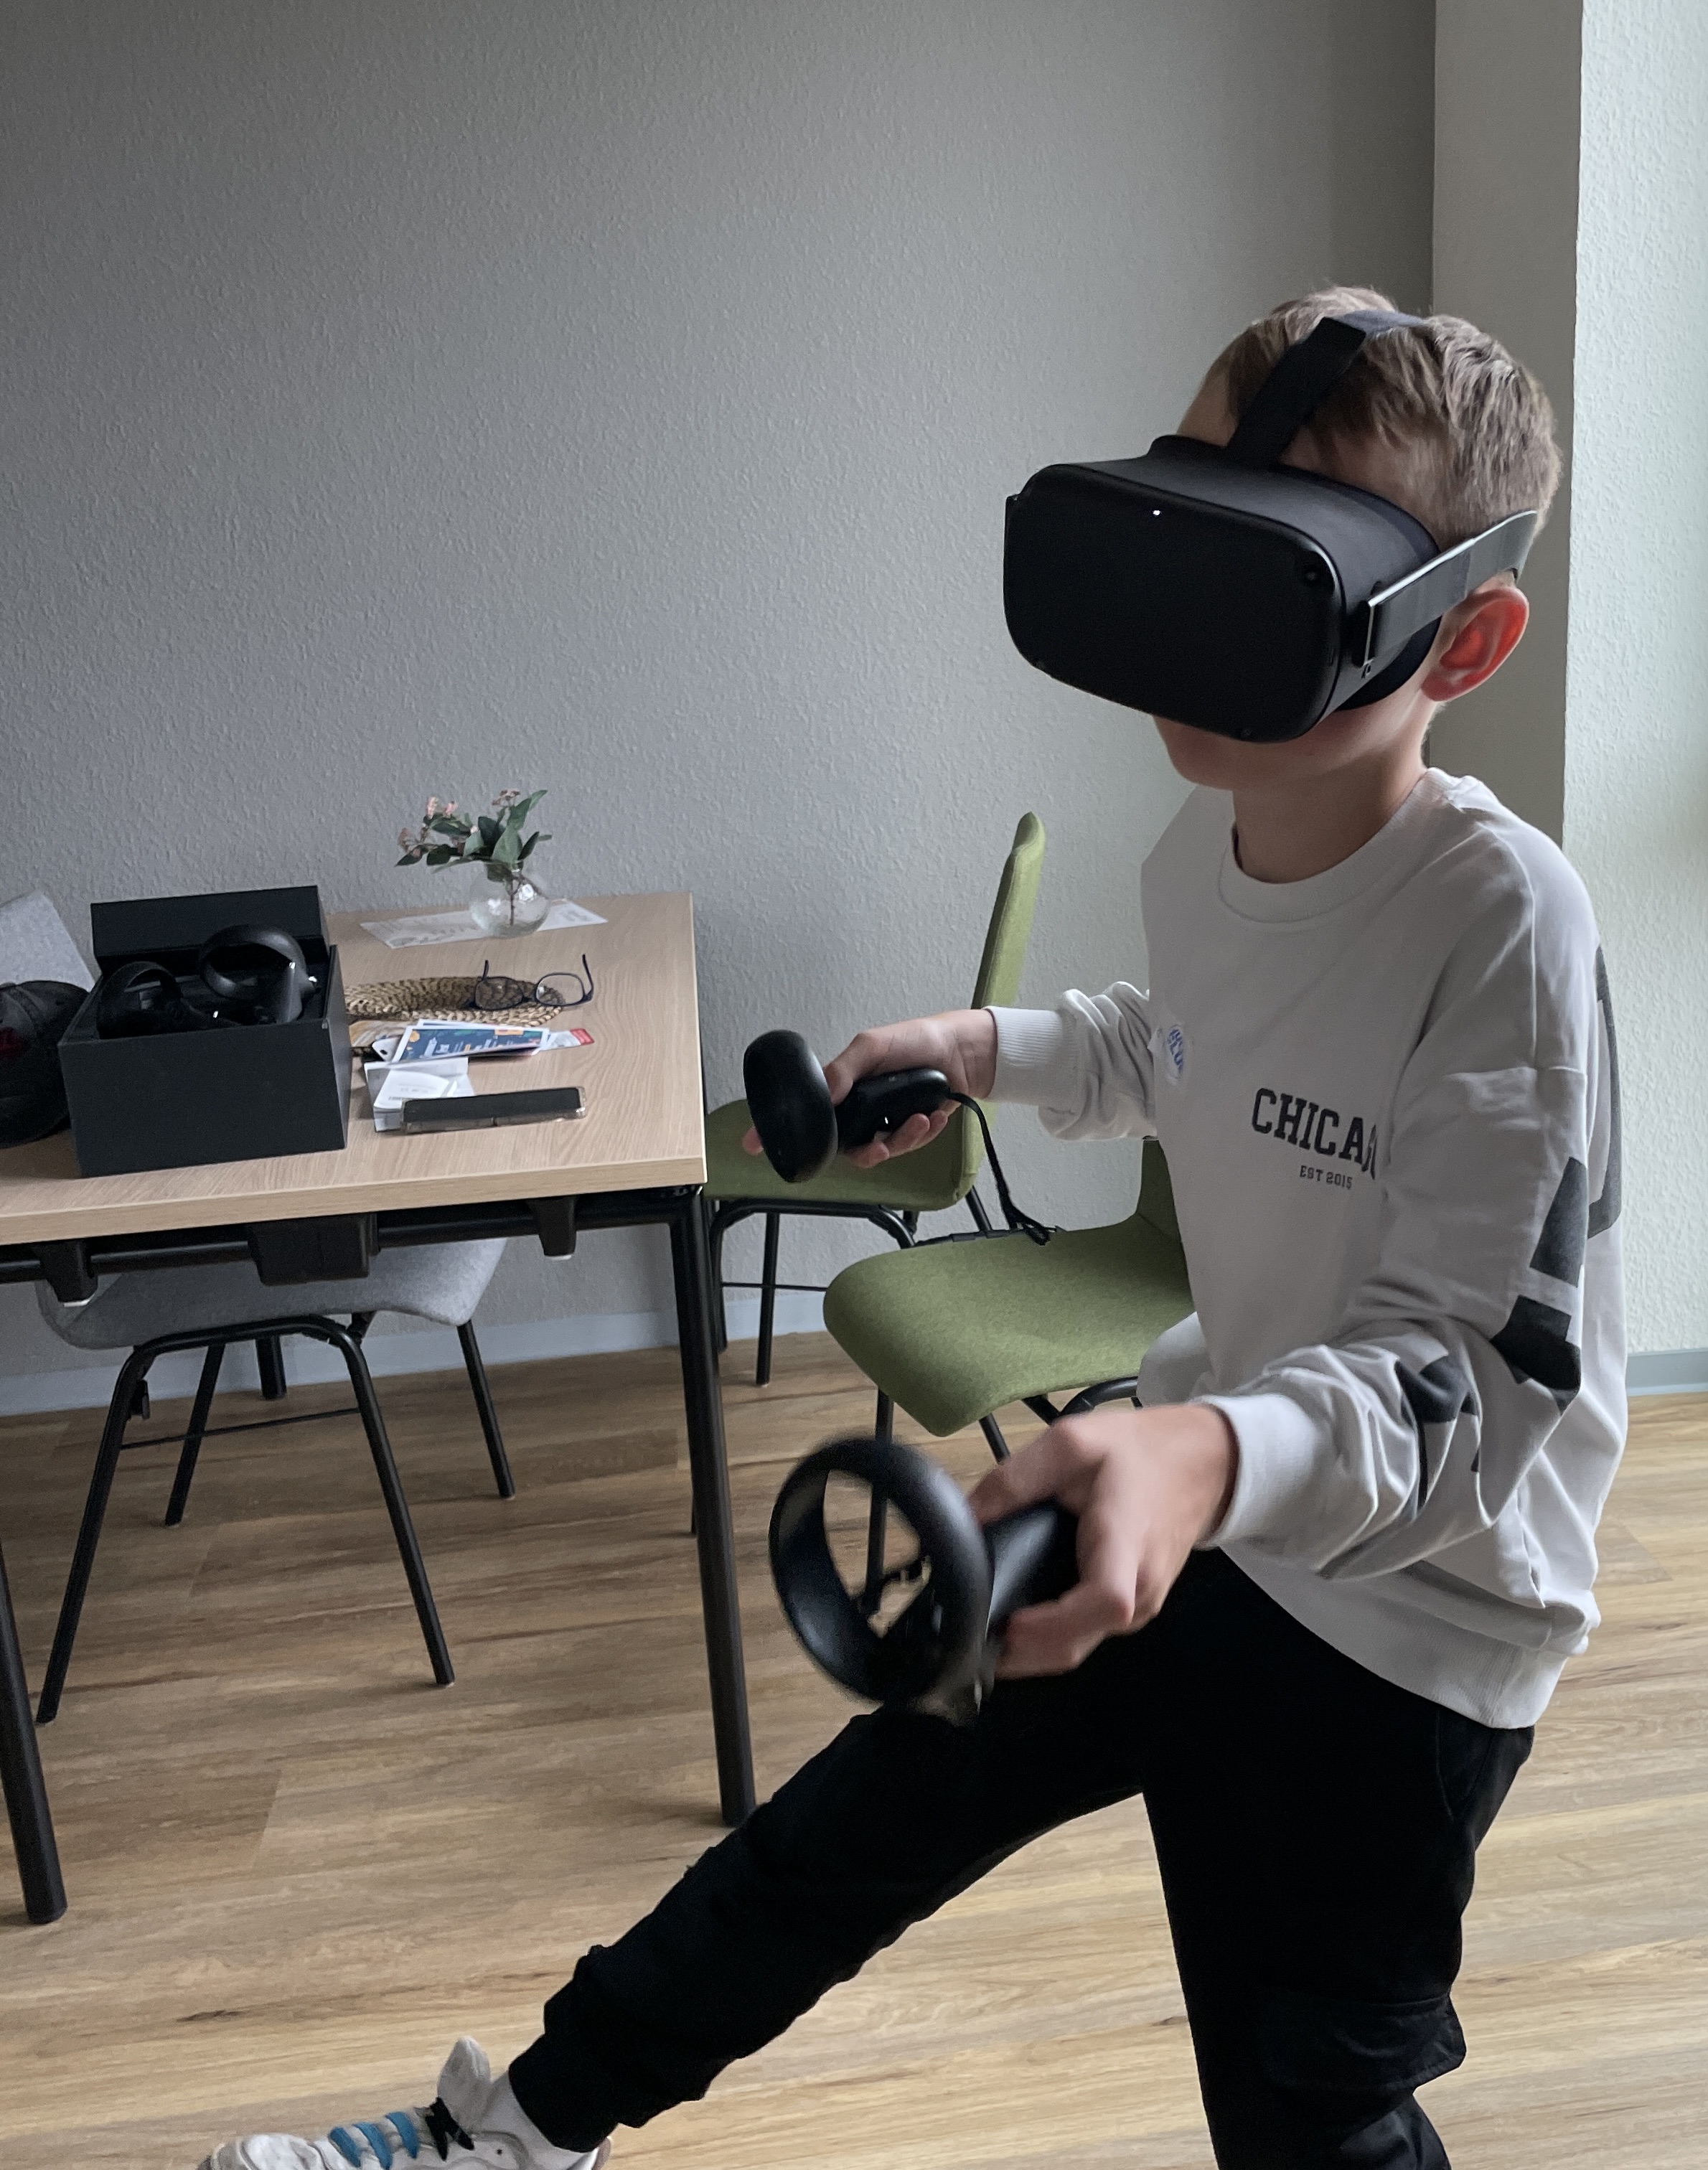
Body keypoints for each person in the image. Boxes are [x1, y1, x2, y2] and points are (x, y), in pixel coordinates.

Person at [204, 286, 1624, 2170]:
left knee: (1307, 2102)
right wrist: (989, 1052)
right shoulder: (1204, 847)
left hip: (1406, 1622)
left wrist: (1205, 1453)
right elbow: (1187, 1044)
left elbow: (1473, 1385)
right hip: (1193, 1493)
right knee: (851, 1831)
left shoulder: (1502, 926)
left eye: (1277, 583)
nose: (1193, 629)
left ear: (1466, 634)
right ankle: (516, 2135)